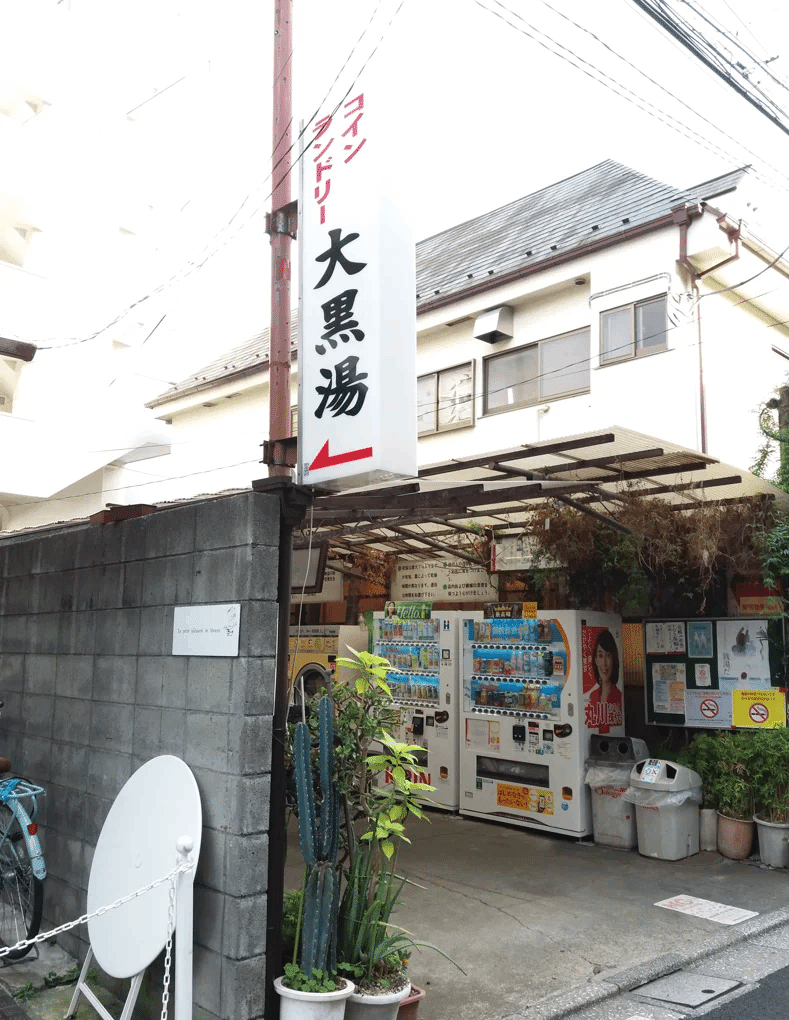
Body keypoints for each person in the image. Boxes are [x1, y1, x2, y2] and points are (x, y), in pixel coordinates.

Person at [585, 629, 622, 733]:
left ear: (614, 659)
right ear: (595, 660)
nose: (604, 663)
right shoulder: (592, 696)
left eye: (608, 655)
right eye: (600, 655)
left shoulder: (619, 696)